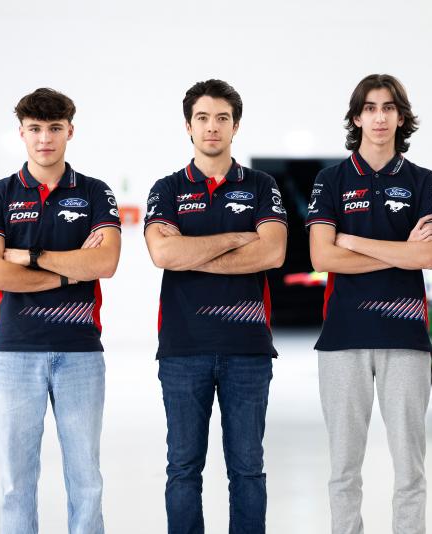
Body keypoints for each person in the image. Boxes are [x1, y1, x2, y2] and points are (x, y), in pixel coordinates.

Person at [0, 87, 122, 534]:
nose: (45, 138)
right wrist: (68, 273)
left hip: (80, 352)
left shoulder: (95, 193)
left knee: (86, 481)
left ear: (70, 131)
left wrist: (29, 257)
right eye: (35, 128)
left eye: (54, 128)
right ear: (21, 132)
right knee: (16, 483)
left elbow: (105, 263)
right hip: (15, 352)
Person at [143, 79, 287, 534]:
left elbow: (273, 252)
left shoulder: (261, 186)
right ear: (188, 126)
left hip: (248, 350)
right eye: (202, 118)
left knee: (248, 470)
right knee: (183, 469)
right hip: (183, 350)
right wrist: (236, 239)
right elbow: (163, 254)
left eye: (222, 118)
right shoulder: (167, 189)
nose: (212, 127)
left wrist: (192, 252)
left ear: (235, 126)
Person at [305, 73, 432, 534]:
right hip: (342, 340)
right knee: (344, 469)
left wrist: (354, 242)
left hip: (406, 340)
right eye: (370, 108)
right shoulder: (331, 180)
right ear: (356, 118)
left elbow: (426, 256)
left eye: (388, 108)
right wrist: (399, 251)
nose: (379, 117)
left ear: (401, 117)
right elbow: (323, 257)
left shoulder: (423, 181)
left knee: (410, 470)